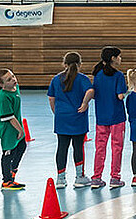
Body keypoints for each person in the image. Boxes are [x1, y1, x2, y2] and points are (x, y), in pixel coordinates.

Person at [48, 52, 95, 189]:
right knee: (78, 147)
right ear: (80, 64)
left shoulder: (56, 79)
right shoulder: (82, 79)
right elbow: (90, 91)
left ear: (64, 64)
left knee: (62, 147)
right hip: (78, 117)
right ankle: (79, 177)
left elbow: (51, 98)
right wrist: (85, 103)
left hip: (62, 118)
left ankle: (60, 179)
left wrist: (56, 112)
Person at [89, 46, 128, 189]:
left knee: (100, 148)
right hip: (117, 117)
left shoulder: (97, 75)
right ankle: (115, 177)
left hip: (101, 117)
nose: (120, 59)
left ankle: (96, 177)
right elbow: (120, 96)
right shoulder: (118, 76)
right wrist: (127, 91)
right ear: (113, 58)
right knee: (117, 147)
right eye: (119, 56)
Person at [0, 68, 27, 191]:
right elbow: (9, 117)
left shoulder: (15, 88)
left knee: (22, 147)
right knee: (8, 153)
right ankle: (6, 181)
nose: (13, 79)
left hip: (17, 128)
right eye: (9, 79)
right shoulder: (3, 97)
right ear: (1, 85)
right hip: (9, 130)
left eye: (13, 76)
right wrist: (21, 130)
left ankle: (13, 171)